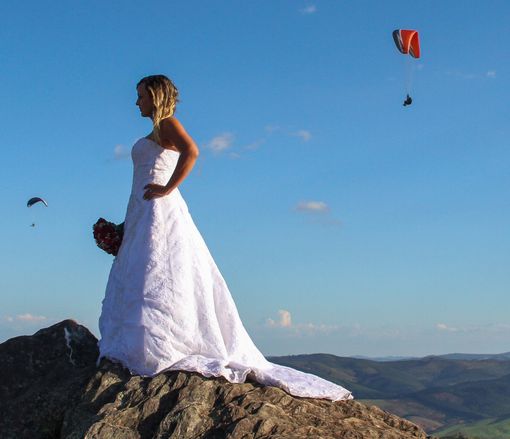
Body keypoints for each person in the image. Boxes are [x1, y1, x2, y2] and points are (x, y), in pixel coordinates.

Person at [97, 75, 352, 401]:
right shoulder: (155, 132)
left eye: (141, 96)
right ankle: (140, 343)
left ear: (155, 97)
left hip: (160, 207)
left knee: (155, 271)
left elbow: (192, 152)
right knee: (142, 271)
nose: (136, 103)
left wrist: (168, 188)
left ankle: (157, 343)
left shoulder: (167, 124)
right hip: (142, 209)